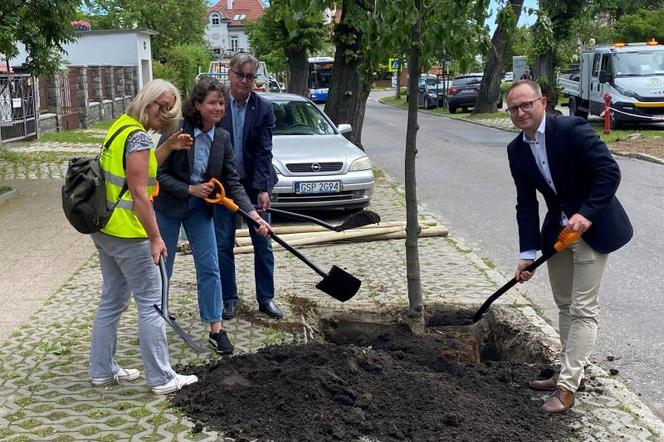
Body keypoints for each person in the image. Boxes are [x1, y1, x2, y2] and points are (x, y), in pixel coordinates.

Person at [504, 80, 633, 414]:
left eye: (526, 105)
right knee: (563, 305)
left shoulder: (572, 129)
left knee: (583, 309)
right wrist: (527, 254)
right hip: (558, 236)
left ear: (542, 102)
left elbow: (609, 172)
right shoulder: (516, 150)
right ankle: (571, 371)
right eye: (513, 108)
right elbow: (526, 204)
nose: (520, 113)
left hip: (594, 229)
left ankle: (567, 387)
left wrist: (587, 214)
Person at [89, 79, 199, 395]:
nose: (164, 114)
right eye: (160, 106)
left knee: (112, 300)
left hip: (105, 229)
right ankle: (161, 378)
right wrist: (155, 238)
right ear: (146, 100)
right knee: (152, 303)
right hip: (129, 233)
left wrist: (167, 147)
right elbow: (139, 193)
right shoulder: (137, 137)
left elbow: (139, 170)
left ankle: (101, 370)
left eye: (170, 110)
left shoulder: (121, 128)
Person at [154, 77, 271, 355]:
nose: (219, 108)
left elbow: (232, 182)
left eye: (221, 103)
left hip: (199, 210)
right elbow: (155, 172)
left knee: (210, 267)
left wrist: (254, 216)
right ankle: (158, 318)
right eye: (212, 103)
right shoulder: (178, 131)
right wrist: (189, 188)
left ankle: (216, 330)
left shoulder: (222, 138)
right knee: (163, 269)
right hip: (169, 207)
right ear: (197, 105)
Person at [213, 53, 282, 320]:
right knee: (223, 243)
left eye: (250, 76)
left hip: (254, 185)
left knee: (263, 242)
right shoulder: (218, 106)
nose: (244, 81)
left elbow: (265, 151)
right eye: (240, 75)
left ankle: (266, 298)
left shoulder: (263, 108)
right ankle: (228, 299)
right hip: (223, 187)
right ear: (229, 74)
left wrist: (264, 188)